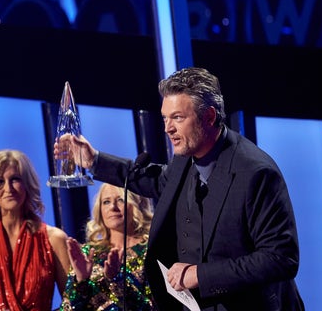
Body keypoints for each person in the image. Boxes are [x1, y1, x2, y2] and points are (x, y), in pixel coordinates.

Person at [54, 67, 305, 310]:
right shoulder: (185, 157)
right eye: (165, 118)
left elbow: (281, 258)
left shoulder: (256, 173)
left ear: (208, 117)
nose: (167, 129)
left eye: (177, 118)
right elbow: (154, 179)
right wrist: (93, 160)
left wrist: (200, 275)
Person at [0, 149, 71, 310]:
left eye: (15, 179)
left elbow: (72, 303)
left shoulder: (54, 239)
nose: (8, 188)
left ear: (27, 184)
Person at [60, 183, 156, 311]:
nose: (113, 207)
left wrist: (117, 280)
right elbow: (67, 308)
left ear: (138, 205)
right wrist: (81, 280)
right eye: (106, 202)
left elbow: (154, 307)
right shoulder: (88, 253)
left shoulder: (151, 251)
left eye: (120, 200)